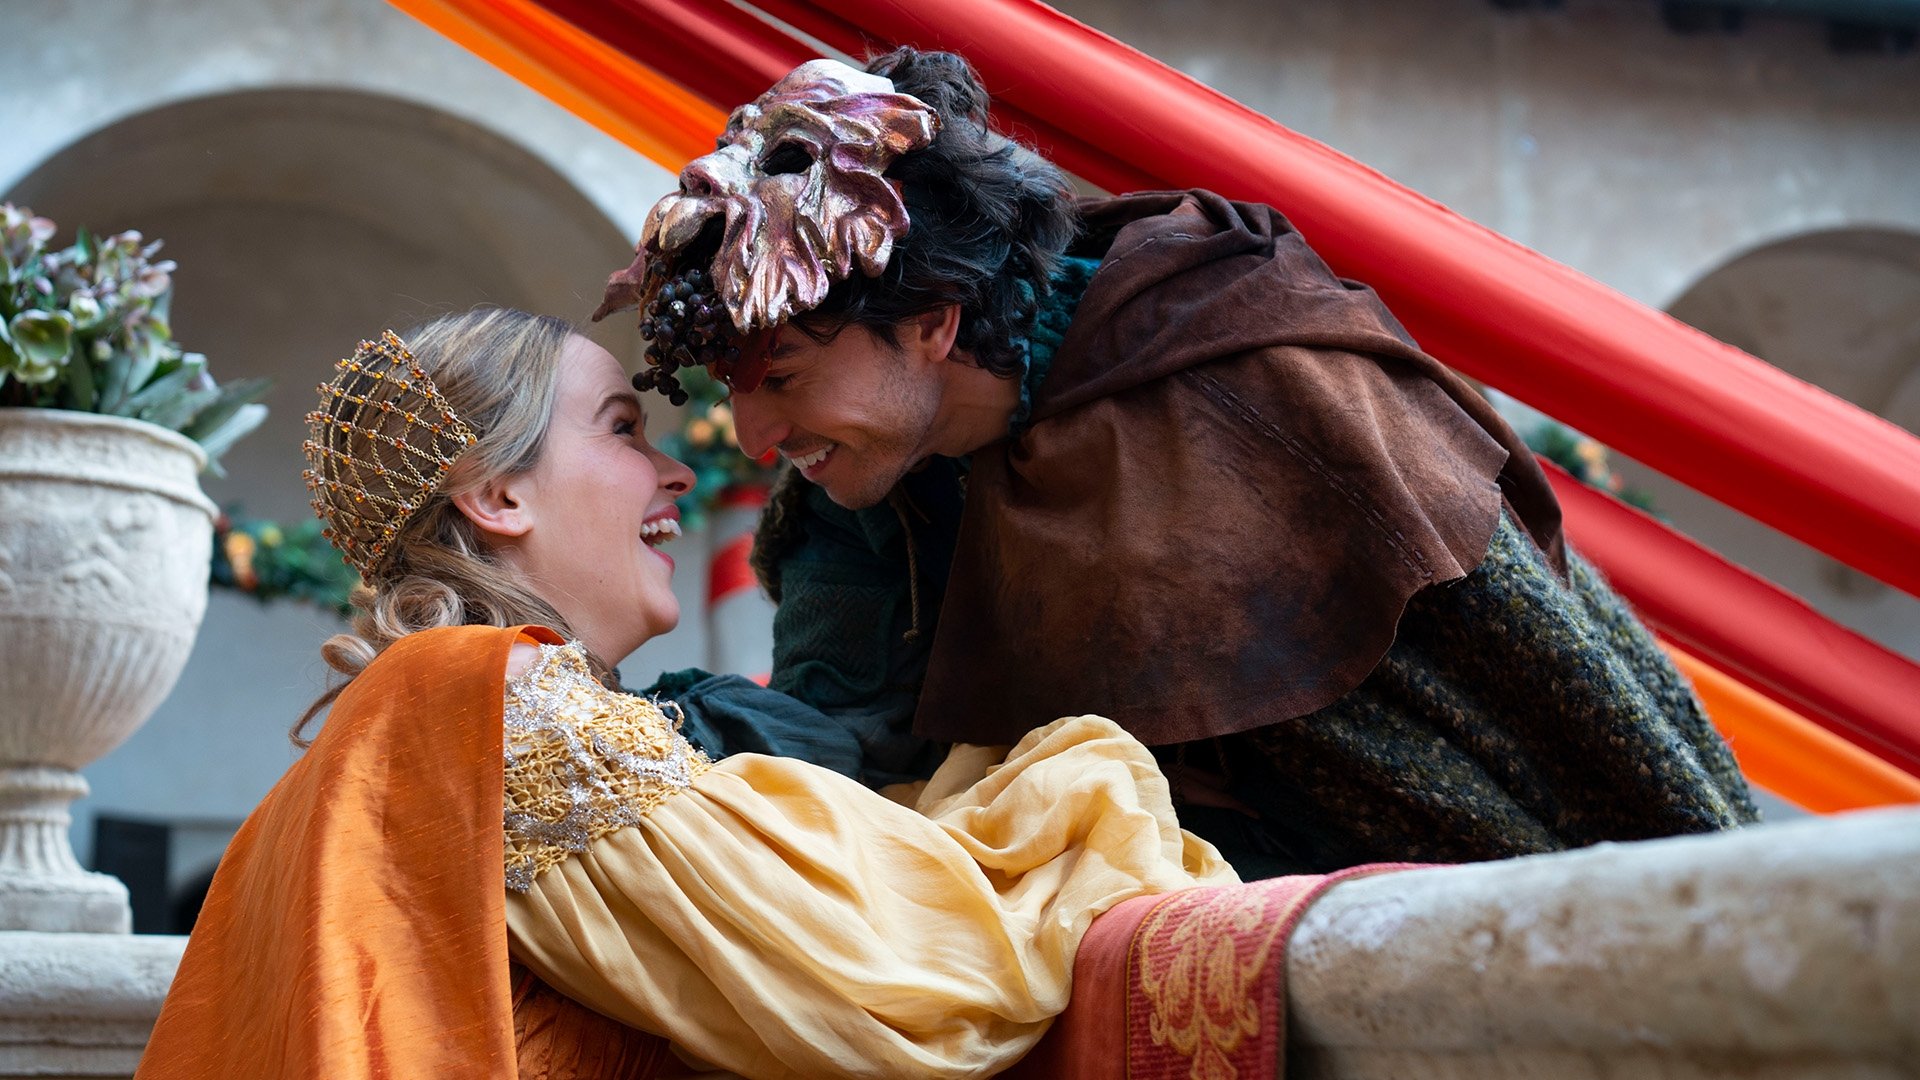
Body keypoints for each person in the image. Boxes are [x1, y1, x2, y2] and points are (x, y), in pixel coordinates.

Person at [595, 50, 1760, 878]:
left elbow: (1535, 676)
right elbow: (847, 744)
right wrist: (609, 737)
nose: (755, 439)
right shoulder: (868, 504)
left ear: (934, 323)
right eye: (731, 391)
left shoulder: (1248, 369)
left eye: (785, 378)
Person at [134, 308, 1232, 1080]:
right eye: (622, 428)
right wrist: (1077, 783)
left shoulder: (419, 714)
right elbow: (891, 982)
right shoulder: (490, 695)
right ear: (499, 494)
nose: (677, 472)